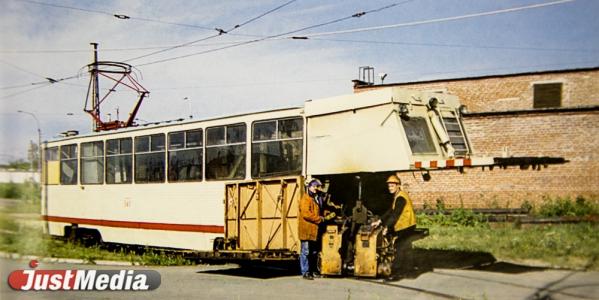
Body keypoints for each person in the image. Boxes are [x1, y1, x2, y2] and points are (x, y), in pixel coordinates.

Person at [373, 174, 416, 280]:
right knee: (406, 248)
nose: (390, 188)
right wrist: (379, 221)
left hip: (406, 226)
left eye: (392, 186)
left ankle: (396, 274)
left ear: (398, 186)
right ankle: (408, 272)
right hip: (407, 225)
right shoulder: (398, 196)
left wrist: (387, 227)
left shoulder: (401, 197)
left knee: (399, 248)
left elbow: (395, 214)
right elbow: (391, 211)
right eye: (389, 186)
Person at [298, 178, 324, 280]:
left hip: (312, 231)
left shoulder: (313, 199)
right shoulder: (305, 199)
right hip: (306, 230)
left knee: (313, 252)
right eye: (314, 187)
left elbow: (316, 212)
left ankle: (312, 271)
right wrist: (319, 219)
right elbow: (306, 214)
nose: (315, 189)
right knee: (305, 252)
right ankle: (305, 272)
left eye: (316, 187)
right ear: (309, 187)